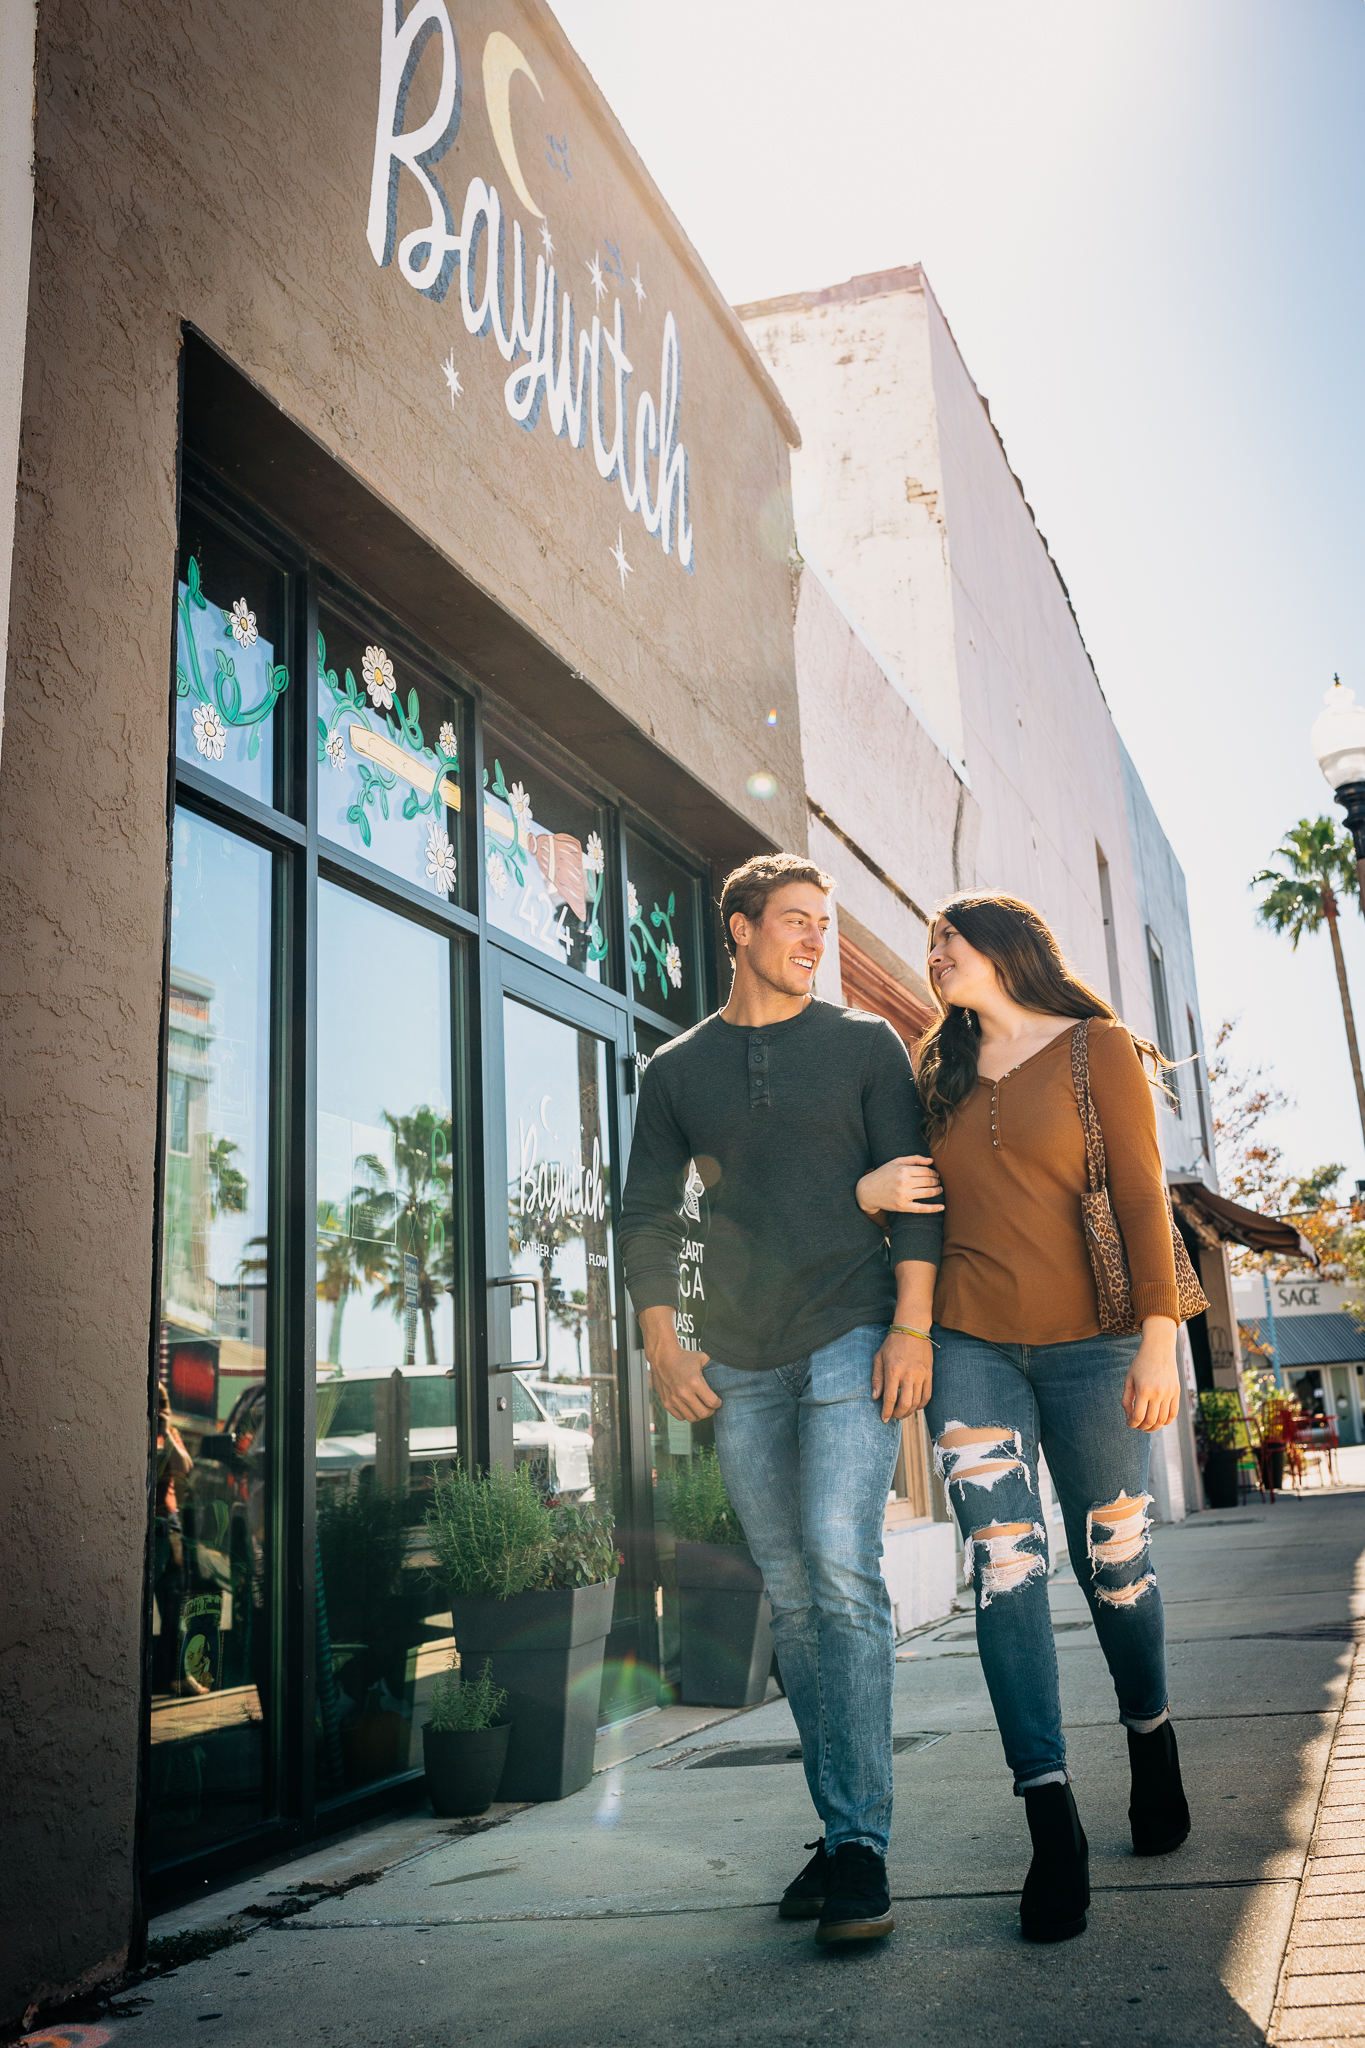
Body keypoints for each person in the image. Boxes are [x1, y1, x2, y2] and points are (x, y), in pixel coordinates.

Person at [619, 853, 944, 1945]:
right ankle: (842, 1820)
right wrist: (663, 1342)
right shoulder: (677, 1070)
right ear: (741, 929)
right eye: (795, 921)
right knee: (792, 1596)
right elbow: (646, 1217)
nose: (815, 939)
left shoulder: (864, 1045)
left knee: (840, 1565)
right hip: (742, 1358)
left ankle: (860, 1847)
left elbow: (917, 1193)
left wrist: (911, 1323)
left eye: (825, 922)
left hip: (853, 1330)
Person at [857, 891, 1192, 1945]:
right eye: (929, 947)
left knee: (1118, 1561)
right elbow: (913, 1197)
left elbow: (1142, 1196)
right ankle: (1052, 1818)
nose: (934, 955)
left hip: (1097, 1343)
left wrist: (1158, 1336)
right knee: (1005, 1570)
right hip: (970, 1346)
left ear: (1007, 948)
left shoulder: (1097, 1047)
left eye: (947, 940)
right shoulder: (935, 1067)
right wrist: (869, 1189)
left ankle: (1151, 1735)